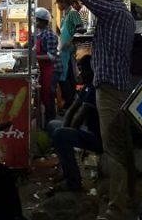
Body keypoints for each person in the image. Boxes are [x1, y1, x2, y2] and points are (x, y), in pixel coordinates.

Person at [73, 0, 136, 220]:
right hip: (121, 86)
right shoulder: (125, 14)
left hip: (110, 88)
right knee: (124, 147)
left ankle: (118, 209)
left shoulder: (111, 12)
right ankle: (128, 200)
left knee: (114, 149)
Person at [47, 55, 102, 194]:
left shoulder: (95, 88)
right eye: (80, 70)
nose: (81, 74)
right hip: (86, 130)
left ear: (94, 71)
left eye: (84, 70)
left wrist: (66, 132)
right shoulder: (86, 88)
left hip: (97, 137)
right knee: (53, 124)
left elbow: (79, 118)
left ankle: (73, 181)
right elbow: (71, 110)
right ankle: (66, 168)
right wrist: (65, 128)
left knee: (60, 134)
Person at [33, 7, 60, 126]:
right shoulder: (40, 34)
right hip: (44, 69)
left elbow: (52, 56)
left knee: (49, 97)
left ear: (44, 22)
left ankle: (51, 125)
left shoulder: (49, 35)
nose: (35, 22)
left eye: (37, 20)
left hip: (52, 70)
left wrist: (33, 57)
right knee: (44, 96)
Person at [55, 0, 82, 107]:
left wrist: (70, 42)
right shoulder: (65, 16)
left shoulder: (73, 13)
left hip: (69, 51)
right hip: (64, 51)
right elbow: (63, 33)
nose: (57, 6)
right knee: (67, 76)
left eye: (58, 3)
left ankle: (70, 102)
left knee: (65, 78)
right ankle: (70, 102)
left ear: (63, 2)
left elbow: (80, 29)